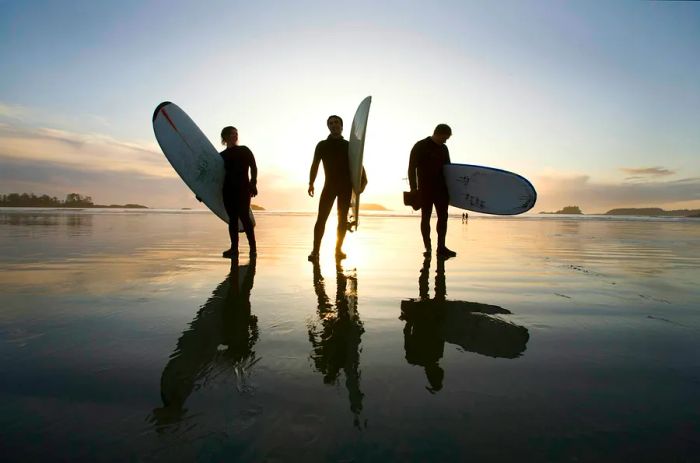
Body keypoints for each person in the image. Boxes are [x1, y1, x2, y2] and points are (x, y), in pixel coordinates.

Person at [308, 115, 366, 261]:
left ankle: (338, 250)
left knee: (342, 221)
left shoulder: (349, 145)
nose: (334, 125)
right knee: (321, 219)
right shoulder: (322, 145)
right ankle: (315, 251)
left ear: (341, 126)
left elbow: (358, 164)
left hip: (345, 188)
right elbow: (315, 164)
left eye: (336, 123)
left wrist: (363, 182)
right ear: (328, 126)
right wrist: (311, 182)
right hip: (329, 187)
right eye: (331, 123)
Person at [407, 124, 456, 258]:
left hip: (441, 189)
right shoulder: (420, 145)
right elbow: (411, 168)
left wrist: (453, 190)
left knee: (443, 218)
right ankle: (428, 248)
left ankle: (441, 248)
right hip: (425, 188)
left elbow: (449, 169)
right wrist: (413, 189)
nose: (445, 141)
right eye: (444, 138)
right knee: (426, 217)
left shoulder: (444, 149)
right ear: (438, 133)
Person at [220, 126, 257, 259]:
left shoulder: (244, 150)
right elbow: (214, 176)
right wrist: (200, 192)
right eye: (232, 134)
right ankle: (234, 249)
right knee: (233, 220)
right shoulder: (221, 156)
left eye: (236, 133)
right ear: (225, 138)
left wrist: (253, 183)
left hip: (243, 189)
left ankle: (253, 248)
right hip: (228, 190)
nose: (235, 136)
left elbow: (253, 166)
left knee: (245, 217)